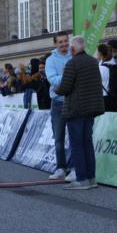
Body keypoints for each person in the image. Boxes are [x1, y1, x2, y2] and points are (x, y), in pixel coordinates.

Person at [55, 36, 105, 190]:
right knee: (87, 144)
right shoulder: (93, 62)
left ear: (73, 48)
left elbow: (64, 88)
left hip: (76, 109)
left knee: (77, 145)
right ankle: (91, 178)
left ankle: (81, 178)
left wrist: (55, 88)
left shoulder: (72, 63)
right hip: (90, 109)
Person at [45, 31, 73, 181]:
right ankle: (61, 168)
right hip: (57, 103)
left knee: (75, 136)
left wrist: (64, 75)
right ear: (55, 43)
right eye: (60, 42)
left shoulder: (74, 55)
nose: (64, 45)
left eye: (65, 41)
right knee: (59, 138)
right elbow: (53, 80)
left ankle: (75, 168)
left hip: (73, 101)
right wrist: (68, 74)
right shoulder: (50, 60)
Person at [95, 43, 117, 112]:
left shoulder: (100, 69)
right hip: (115, 100)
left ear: (100, 54)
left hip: (104, 100)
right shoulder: (115, 65)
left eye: (97, 52)